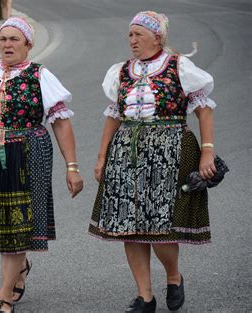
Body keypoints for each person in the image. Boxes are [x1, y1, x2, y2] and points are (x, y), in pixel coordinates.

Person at [89, 11, 217, 313]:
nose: (132, 40)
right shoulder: (120, 71)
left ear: (157, 38)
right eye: (130, 35)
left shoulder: (178, 66)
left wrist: (207, 151)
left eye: (138, 35)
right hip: (126, 153)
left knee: (161, 227)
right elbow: (113, 115)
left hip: (169, 152)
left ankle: (173, 275)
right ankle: (145, 296)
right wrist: (101, 157)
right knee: (127, 227)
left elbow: (203, 110)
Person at [0, 17, 83, 313]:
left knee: (18, 220)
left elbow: (61, 123)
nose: (8, 44)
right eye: (3, 39)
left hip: (27, 153)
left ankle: (3, 293)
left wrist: (72, 167)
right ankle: (20, 267)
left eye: (14, 39)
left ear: (28, 44)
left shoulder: (40, 75)